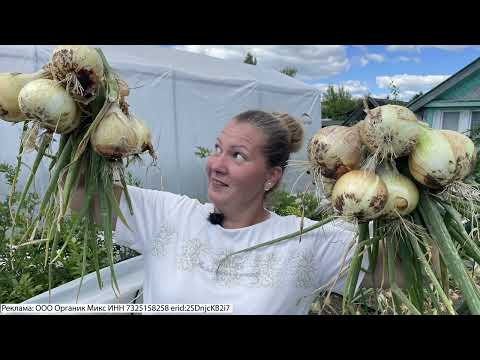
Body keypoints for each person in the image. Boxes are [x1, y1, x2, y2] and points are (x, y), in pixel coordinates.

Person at [71, 110, 402, 315]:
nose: (217, 165)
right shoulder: (169, 216)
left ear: (271, 176)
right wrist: (88, 123)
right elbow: (82, 199)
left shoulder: (305, 240)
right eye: (218, 149)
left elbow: (394, 274)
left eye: (238, 156)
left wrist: (405, 192)